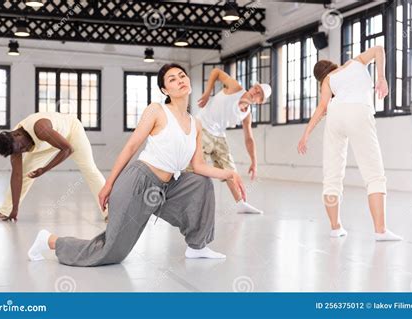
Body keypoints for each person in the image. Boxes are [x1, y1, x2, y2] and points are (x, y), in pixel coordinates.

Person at [27, 63, 247, 266]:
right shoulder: (157, 110)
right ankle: (49, 240)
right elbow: (131, 147)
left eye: (182, 75)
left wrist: (229, 173)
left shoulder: (195, 124)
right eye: (172, 79)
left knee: (201, 183)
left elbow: (198, 166)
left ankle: (197, 246)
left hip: (169, 187)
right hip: (139, 184)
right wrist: (108, 184)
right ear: (164, 90)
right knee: (111, 253)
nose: (180, 80)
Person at [297, 46, 402, 241]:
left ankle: (335, 227)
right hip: (358, 111)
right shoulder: (355, 62)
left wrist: (306, 134)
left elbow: (322, 108)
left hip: (335, 116)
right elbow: (379, 49)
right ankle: (380, 231)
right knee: (374, 174)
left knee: (332, 175)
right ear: (334, 65)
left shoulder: (327, 81)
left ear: (320, 78)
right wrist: (381, 77)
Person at [0, 112, 107, 222]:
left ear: (17, 134)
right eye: (19, 151)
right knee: (24, 172)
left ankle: (109, 211)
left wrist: (44, 169)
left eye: (22, 147)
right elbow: (17, 176)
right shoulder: (14, 145)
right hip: (46, 143)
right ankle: (6, 210)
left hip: (71, 132)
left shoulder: (41, 128)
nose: (23, 150)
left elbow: (67, 149)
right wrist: (14, 210)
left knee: (89, 169)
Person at [193, 68, 271, 214]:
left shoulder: (246, 115)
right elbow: (216, 71)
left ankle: (241, 203)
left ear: (260, 102)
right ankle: (186, 199)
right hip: (202, 126)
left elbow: (249, 139)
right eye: (256, 88)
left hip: (218, 134)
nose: (255, 91)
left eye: (259, 93)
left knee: (230, 170)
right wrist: (207, 93)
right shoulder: (236, 88)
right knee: (196, 167)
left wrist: (254, 161)